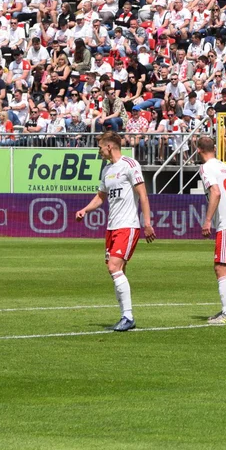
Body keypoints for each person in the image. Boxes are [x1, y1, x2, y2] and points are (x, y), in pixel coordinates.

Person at [75, 132, 156, 332]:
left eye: (100, 147)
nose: (99, 151)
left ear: (110, 146)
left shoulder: (130, 164)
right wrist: (85, 209)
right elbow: (101, 196)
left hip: (128, 225)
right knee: (118, 270)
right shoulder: (107, 170)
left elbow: (143, 195)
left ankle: (128, 317)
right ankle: (124, 316)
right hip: (112, 227)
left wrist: (147, 223)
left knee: (114, 267)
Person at [196, 136, 226, 324]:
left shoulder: (206, 168)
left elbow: (215, 192)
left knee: (220, 266)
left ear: (199, 150)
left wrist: (208, 221)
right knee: (224, 266)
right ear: (214, 149)